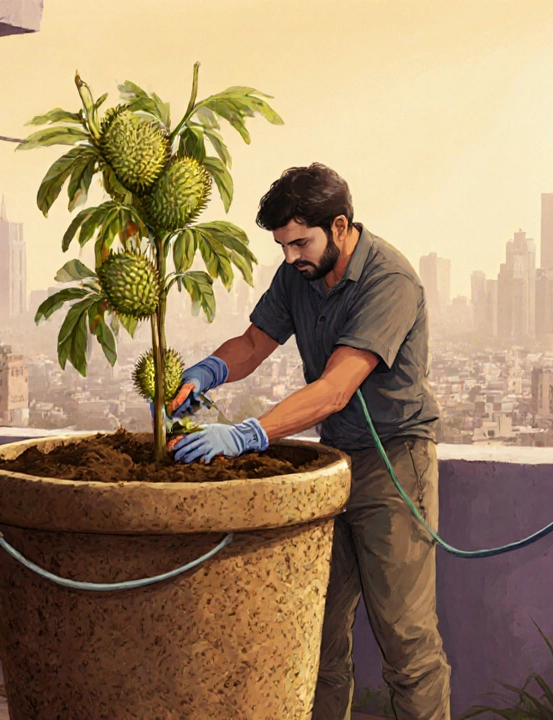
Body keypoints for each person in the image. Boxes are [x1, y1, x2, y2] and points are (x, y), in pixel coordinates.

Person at [167, 163, 451, 719]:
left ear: (340, 226)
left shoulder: (387, 280)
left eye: (300, 241)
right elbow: (254, 342)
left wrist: (248, 434)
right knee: (316, 632)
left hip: (394, 463)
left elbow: (337, 387)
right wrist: (207, 371)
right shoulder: (297, 275)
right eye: (282, 244)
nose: (290, 255)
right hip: (334, 465)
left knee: (405, 640)